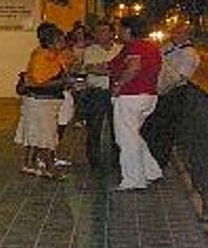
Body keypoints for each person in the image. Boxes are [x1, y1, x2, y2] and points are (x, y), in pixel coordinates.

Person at [108, 16, 163, 191]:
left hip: (131, 96)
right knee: (133, 135)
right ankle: (151, 171)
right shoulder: (151, 47)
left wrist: (118, 85)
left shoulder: (135, 47)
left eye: (120, 28)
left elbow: (133, 67)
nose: (117, 31)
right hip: (148, 95)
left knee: (125, 139)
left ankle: (133, 179)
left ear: (128, 30)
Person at [14, 22, 72, 179]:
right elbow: (36, 82)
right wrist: (62, 82)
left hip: (46, 102)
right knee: (46, 136)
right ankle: (49, 168)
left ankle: (28, 164)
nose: (63, 43)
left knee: (35, 134)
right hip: (40, 102)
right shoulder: (42, 56)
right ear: (50, 42)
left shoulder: (54, 56)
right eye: (60, 40)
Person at [143, 24, 201, 167]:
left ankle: (160, 161)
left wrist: (162, 90)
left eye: (180, 33)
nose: (175, 35)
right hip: (160, 93)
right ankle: (152, 158)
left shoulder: (189, 53)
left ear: (187, 35)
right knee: (153, 127)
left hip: (173, 94)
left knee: (166, 128)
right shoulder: (168, 47)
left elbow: (179, 78)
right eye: (174, 32)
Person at [80, 19, 123, 170]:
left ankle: (117, 160)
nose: (100, 34)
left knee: (117, 128)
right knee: (94, 127)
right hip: (97, 93)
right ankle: (95, 161)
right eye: (98, 31)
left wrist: (103, 67)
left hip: (116, 93)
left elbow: (124, 68)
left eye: (104, 31)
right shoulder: (90, 50)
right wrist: (112, 70)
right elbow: (91, 69)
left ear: (112, 33)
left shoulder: (121, 49)